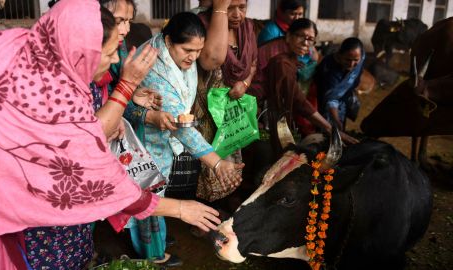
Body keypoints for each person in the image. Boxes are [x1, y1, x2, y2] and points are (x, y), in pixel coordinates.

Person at [0, 1, 220, 269]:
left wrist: (125, 93)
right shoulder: (55, 102)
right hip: (30, 230)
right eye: (111, 52)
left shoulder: (28, 54)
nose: (116, 60)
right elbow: (99, 178)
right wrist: (182, 209)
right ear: (81, 51)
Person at [126, 11, 244, 267]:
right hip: (145, 141)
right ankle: (151, 253)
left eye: (198, 50)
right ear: (168, 42)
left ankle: (156, 237)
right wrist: (216, 162)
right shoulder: (156, 70)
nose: (193, 56)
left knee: (157, 191)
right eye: (187, 49)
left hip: (158, 136)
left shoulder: (175, 57)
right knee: (149, 190)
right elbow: (183, 129)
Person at [194, 0, 257, 203]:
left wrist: (245, 84)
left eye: (242, 7)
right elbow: (210, 60)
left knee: (231, 147)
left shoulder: (247, 28)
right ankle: (204, 210)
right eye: (230, 8)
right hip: (204, 110)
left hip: (231, 109)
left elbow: (253, 63)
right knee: (207, 157)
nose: (237, 14)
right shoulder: (203, 24)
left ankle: (224, 199)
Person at [265, 21, 359, 157]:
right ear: (288, 36)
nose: (305, 43)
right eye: (301, 36)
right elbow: (299, 102)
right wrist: (329, 128)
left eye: (310, 39)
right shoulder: (281, 63)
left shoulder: (291, 59)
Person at [314, 37, 365, 131]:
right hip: (326, 106)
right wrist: (336, 120)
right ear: (339, 55)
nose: (351, 64)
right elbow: (331, 99)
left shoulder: (361, 58)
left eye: (356, 60)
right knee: (327, 131)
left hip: (342, 102)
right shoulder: (329, 70)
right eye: (348, 60)